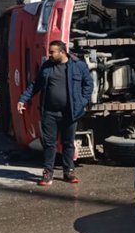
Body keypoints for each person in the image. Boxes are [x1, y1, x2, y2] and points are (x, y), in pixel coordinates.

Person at [17, 39, 95, 186]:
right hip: (50, 113)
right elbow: (35, 85)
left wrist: (83, 102)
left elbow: (88, 84)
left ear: (62, 52)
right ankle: (48, 173)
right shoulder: (47, 66)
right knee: (49, 144)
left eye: (52, 52)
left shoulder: (78, 66)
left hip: (70, 112)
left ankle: (68, 172)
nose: (49, 55)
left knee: (68, 143)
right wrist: (23, 99)